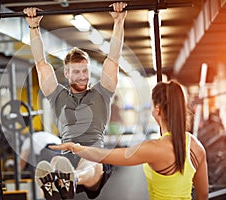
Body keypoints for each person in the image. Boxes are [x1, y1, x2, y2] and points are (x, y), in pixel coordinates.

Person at [24, 2, 127, 199]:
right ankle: (57, 185)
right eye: (76, 72)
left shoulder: (101, 93)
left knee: (90, 163)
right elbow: (41, 63)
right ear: (67, 73)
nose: (82, 76)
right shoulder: (58, 95)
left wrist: (119, 22)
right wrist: (33, 27)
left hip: (92, 157)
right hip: (67, 157)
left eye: (85, 71)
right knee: (53, 164)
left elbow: (113, 58)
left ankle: (71, 180)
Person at [50, 80, 209, 200]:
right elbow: (203, 196)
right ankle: (75, 177)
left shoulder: (154, 148)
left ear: (157, 110)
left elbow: (105, 156)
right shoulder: (197, 146)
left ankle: (75, 177)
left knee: (99, 165)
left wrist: (76, 148)